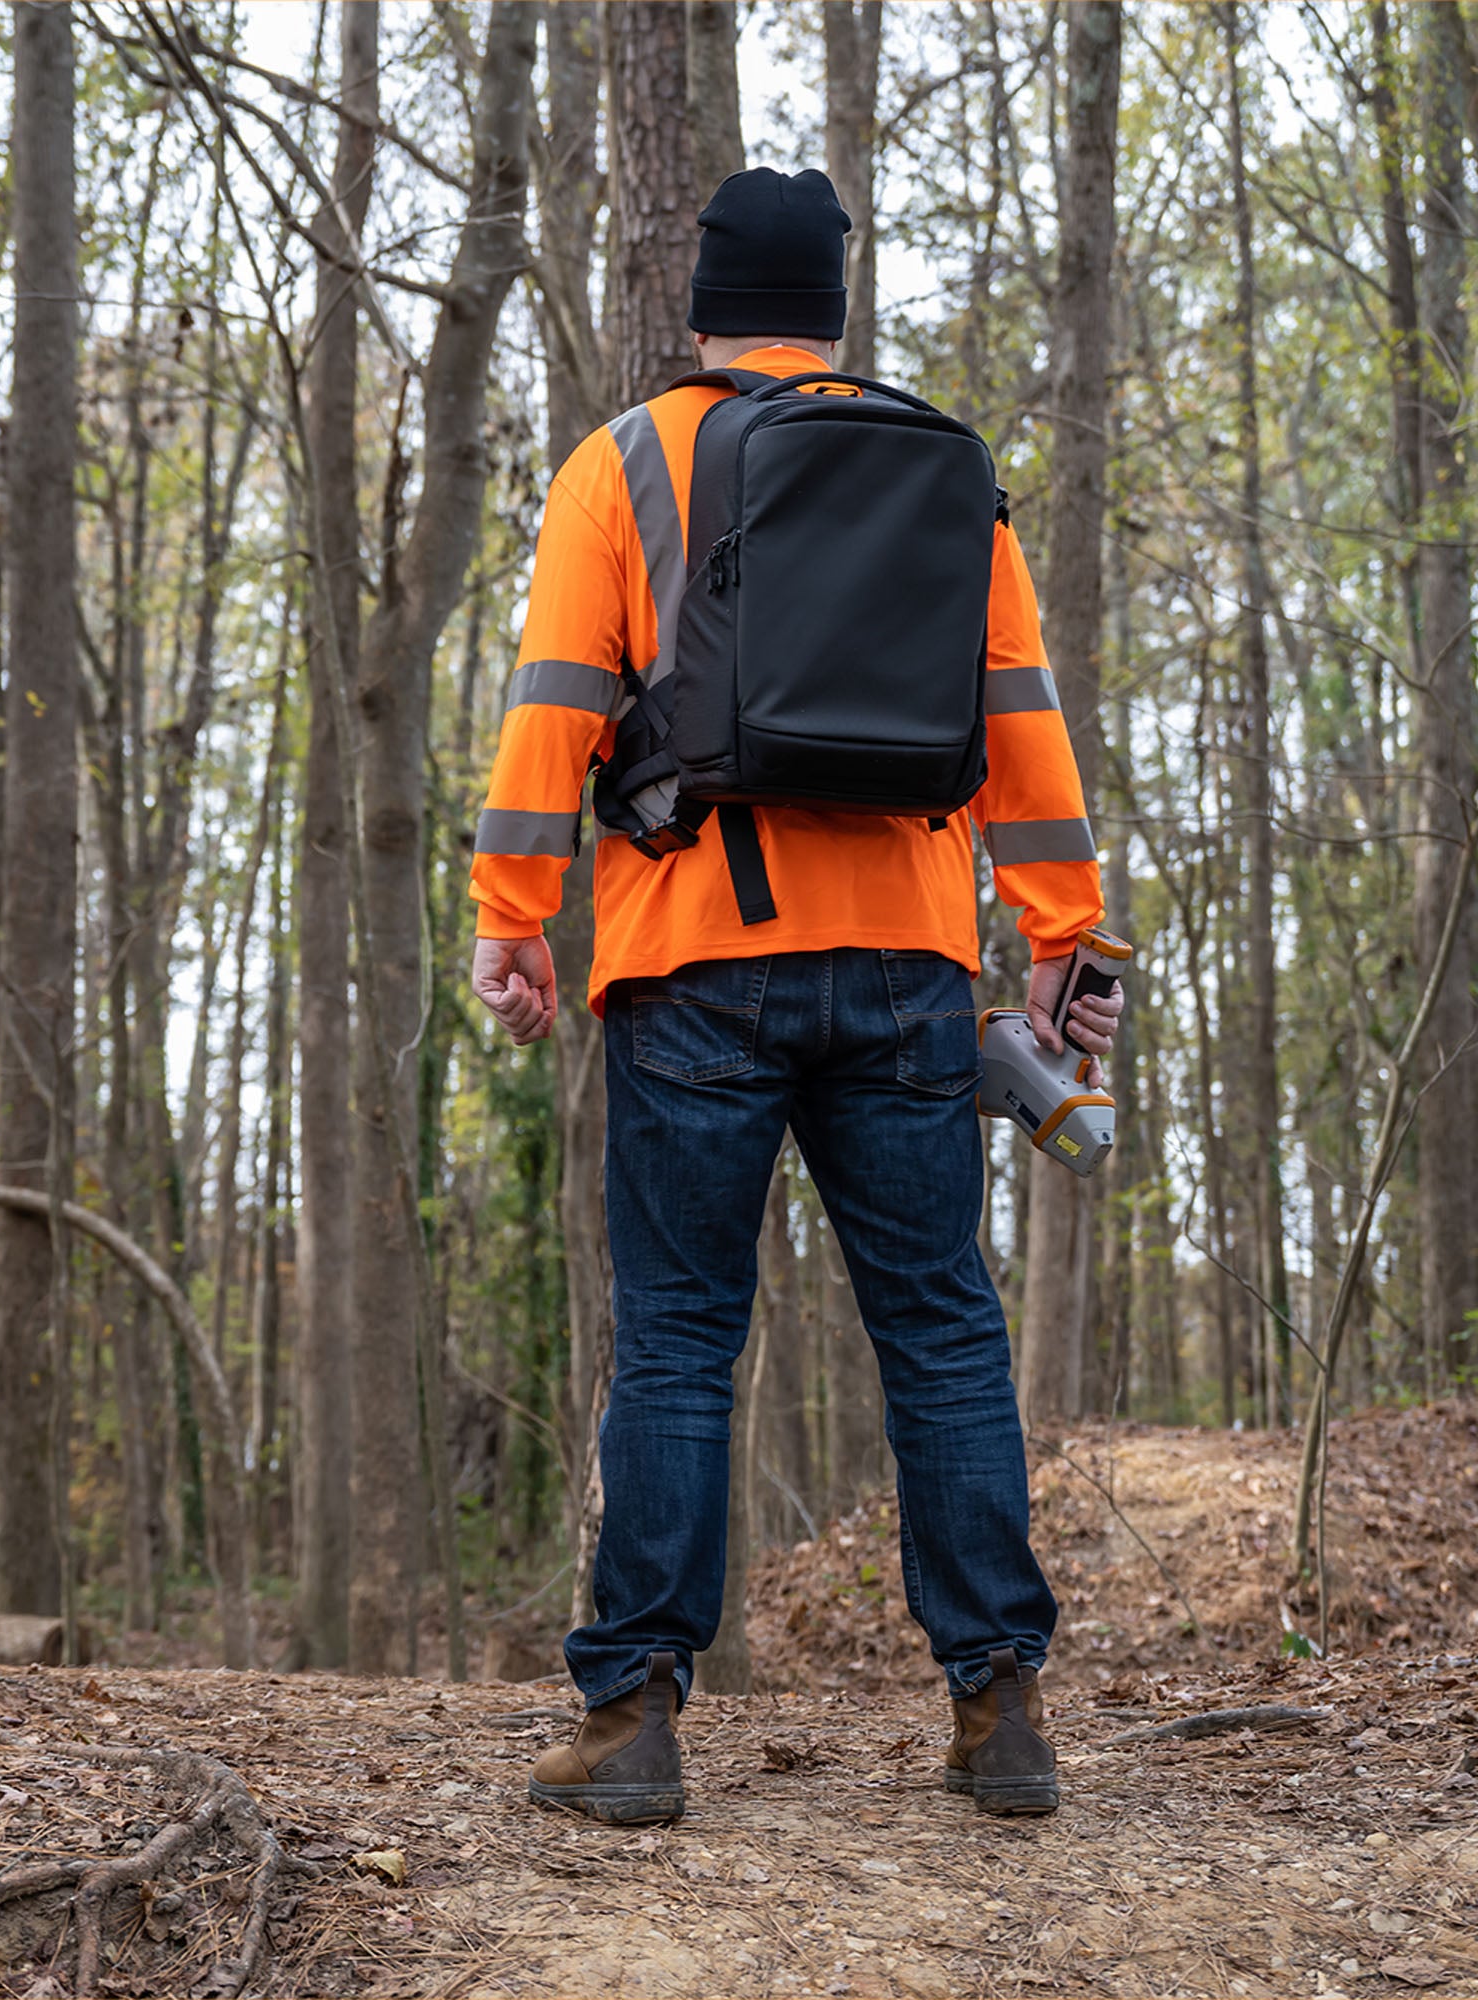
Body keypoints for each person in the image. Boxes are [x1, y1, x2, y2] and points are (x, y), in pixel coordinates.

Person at [467, 166, 1124, 1824]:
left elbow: (555, 702)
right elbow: (1022, 723)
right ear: (832, 308)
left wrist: (511, 915)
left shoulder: (624, 461)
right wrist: (1062, 936)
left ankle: (633, 1726)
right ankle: (1002, 1709)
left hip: (690, 961)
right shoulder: (942, 474)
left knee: (682, 1335)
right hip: (911, 967)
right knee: (943, 1328)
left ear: (702, 305)